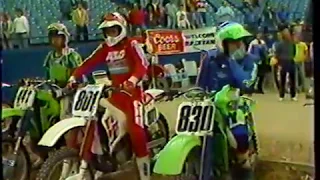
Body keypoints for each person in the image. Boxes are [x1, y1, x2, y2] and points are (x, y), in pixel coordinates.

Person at [67, 13, 150, 180]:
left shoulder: (131, 44)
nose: (111, 34)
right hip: (115, 94)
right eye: (108, 31)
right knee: (97, 121)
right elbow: (88, 63)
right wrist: (74, 76)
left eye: (114, 30)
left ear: (121, 28)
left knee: (135, 131)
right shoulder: (105, 48)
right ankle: (102, 159)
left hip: (132, 94)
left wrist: (132, 80)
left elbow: (143, 65)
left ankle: (145, 174)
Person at [197, 22, 258, 176]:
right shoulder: (209, 58)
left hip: (234, 106)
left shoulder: (249, 60)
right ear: (222, 43)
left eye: (241, 41)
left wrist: (231, 62)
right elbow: (200, 85)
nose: (239, 45)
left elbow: (246, 82)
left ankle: (244, 163)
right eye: (234, 42)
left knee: (239, 134)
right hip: (209, 106)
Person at [274, 25, 297, 101]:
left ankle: (293, 95)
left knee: (292, 79)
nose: (287, 35)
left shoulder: (292, 43)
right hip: (283, 62)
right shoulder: (279, 44)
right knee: (282, 79)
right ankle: (281, 95)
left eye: (288, 33)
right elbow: (277, 54)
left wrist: (291, 57)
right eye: (285, 33)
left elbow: (294, 52)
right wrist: (279, 62)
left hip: (291, 61)